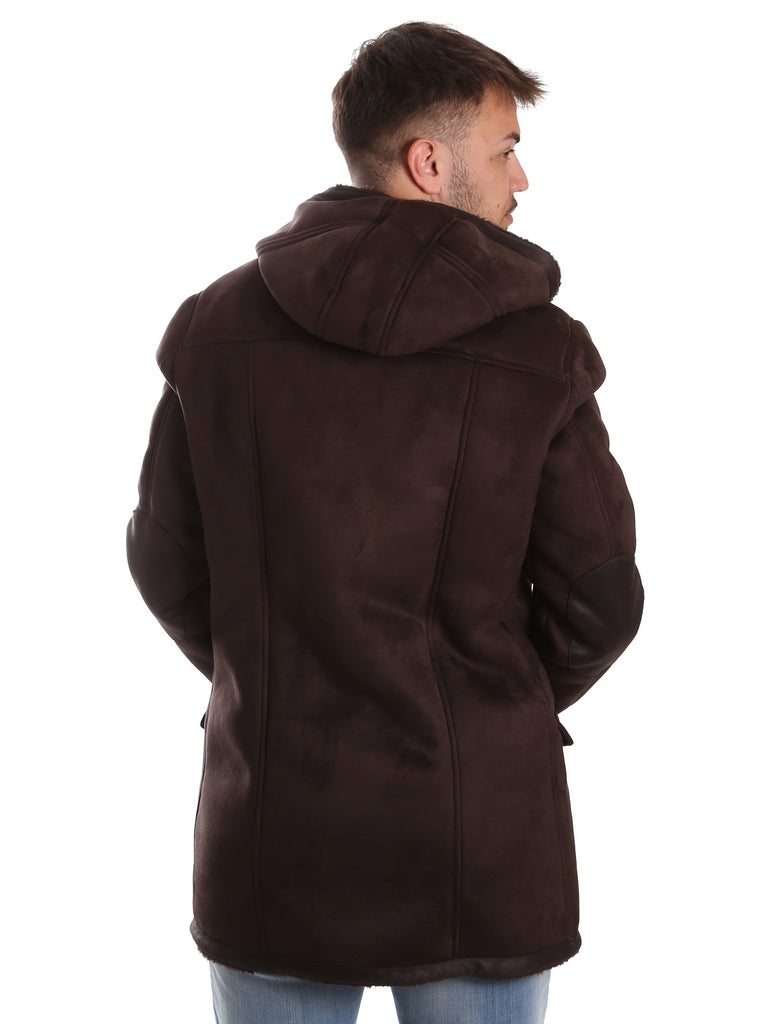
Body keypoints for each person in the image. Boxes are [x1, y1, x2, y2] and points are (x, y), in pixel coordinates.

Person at [126, 21, 643, 1024]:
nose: (523, 178)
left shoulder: (216, 329)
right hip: (479, 850)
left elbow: (165, 562)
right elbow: (600, 600)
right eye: (505, 148)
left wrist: (275, 678)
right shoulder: (541, 350)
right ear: (429, 162)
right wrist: (491, 710)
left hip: (273, 835)